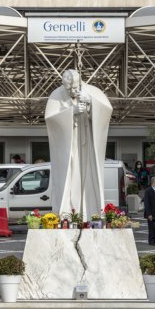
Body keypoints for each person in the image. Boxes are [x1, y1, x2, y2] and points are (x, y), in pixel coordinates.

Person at [45, 69, 113, 219]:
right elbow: (50, 118)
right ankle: (68, 213)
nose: (71, 91)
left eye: (74, 88)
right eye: (68, 88)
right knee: (71, 176)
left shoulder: (93, 91)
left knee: (90, 175)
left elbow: (107, 111)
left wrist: (90, 102)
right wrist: (71, 112)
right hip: (70, 147)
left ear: (80, 82)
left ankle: (91, 213)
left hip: (89, 144)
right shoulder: (57, 95)